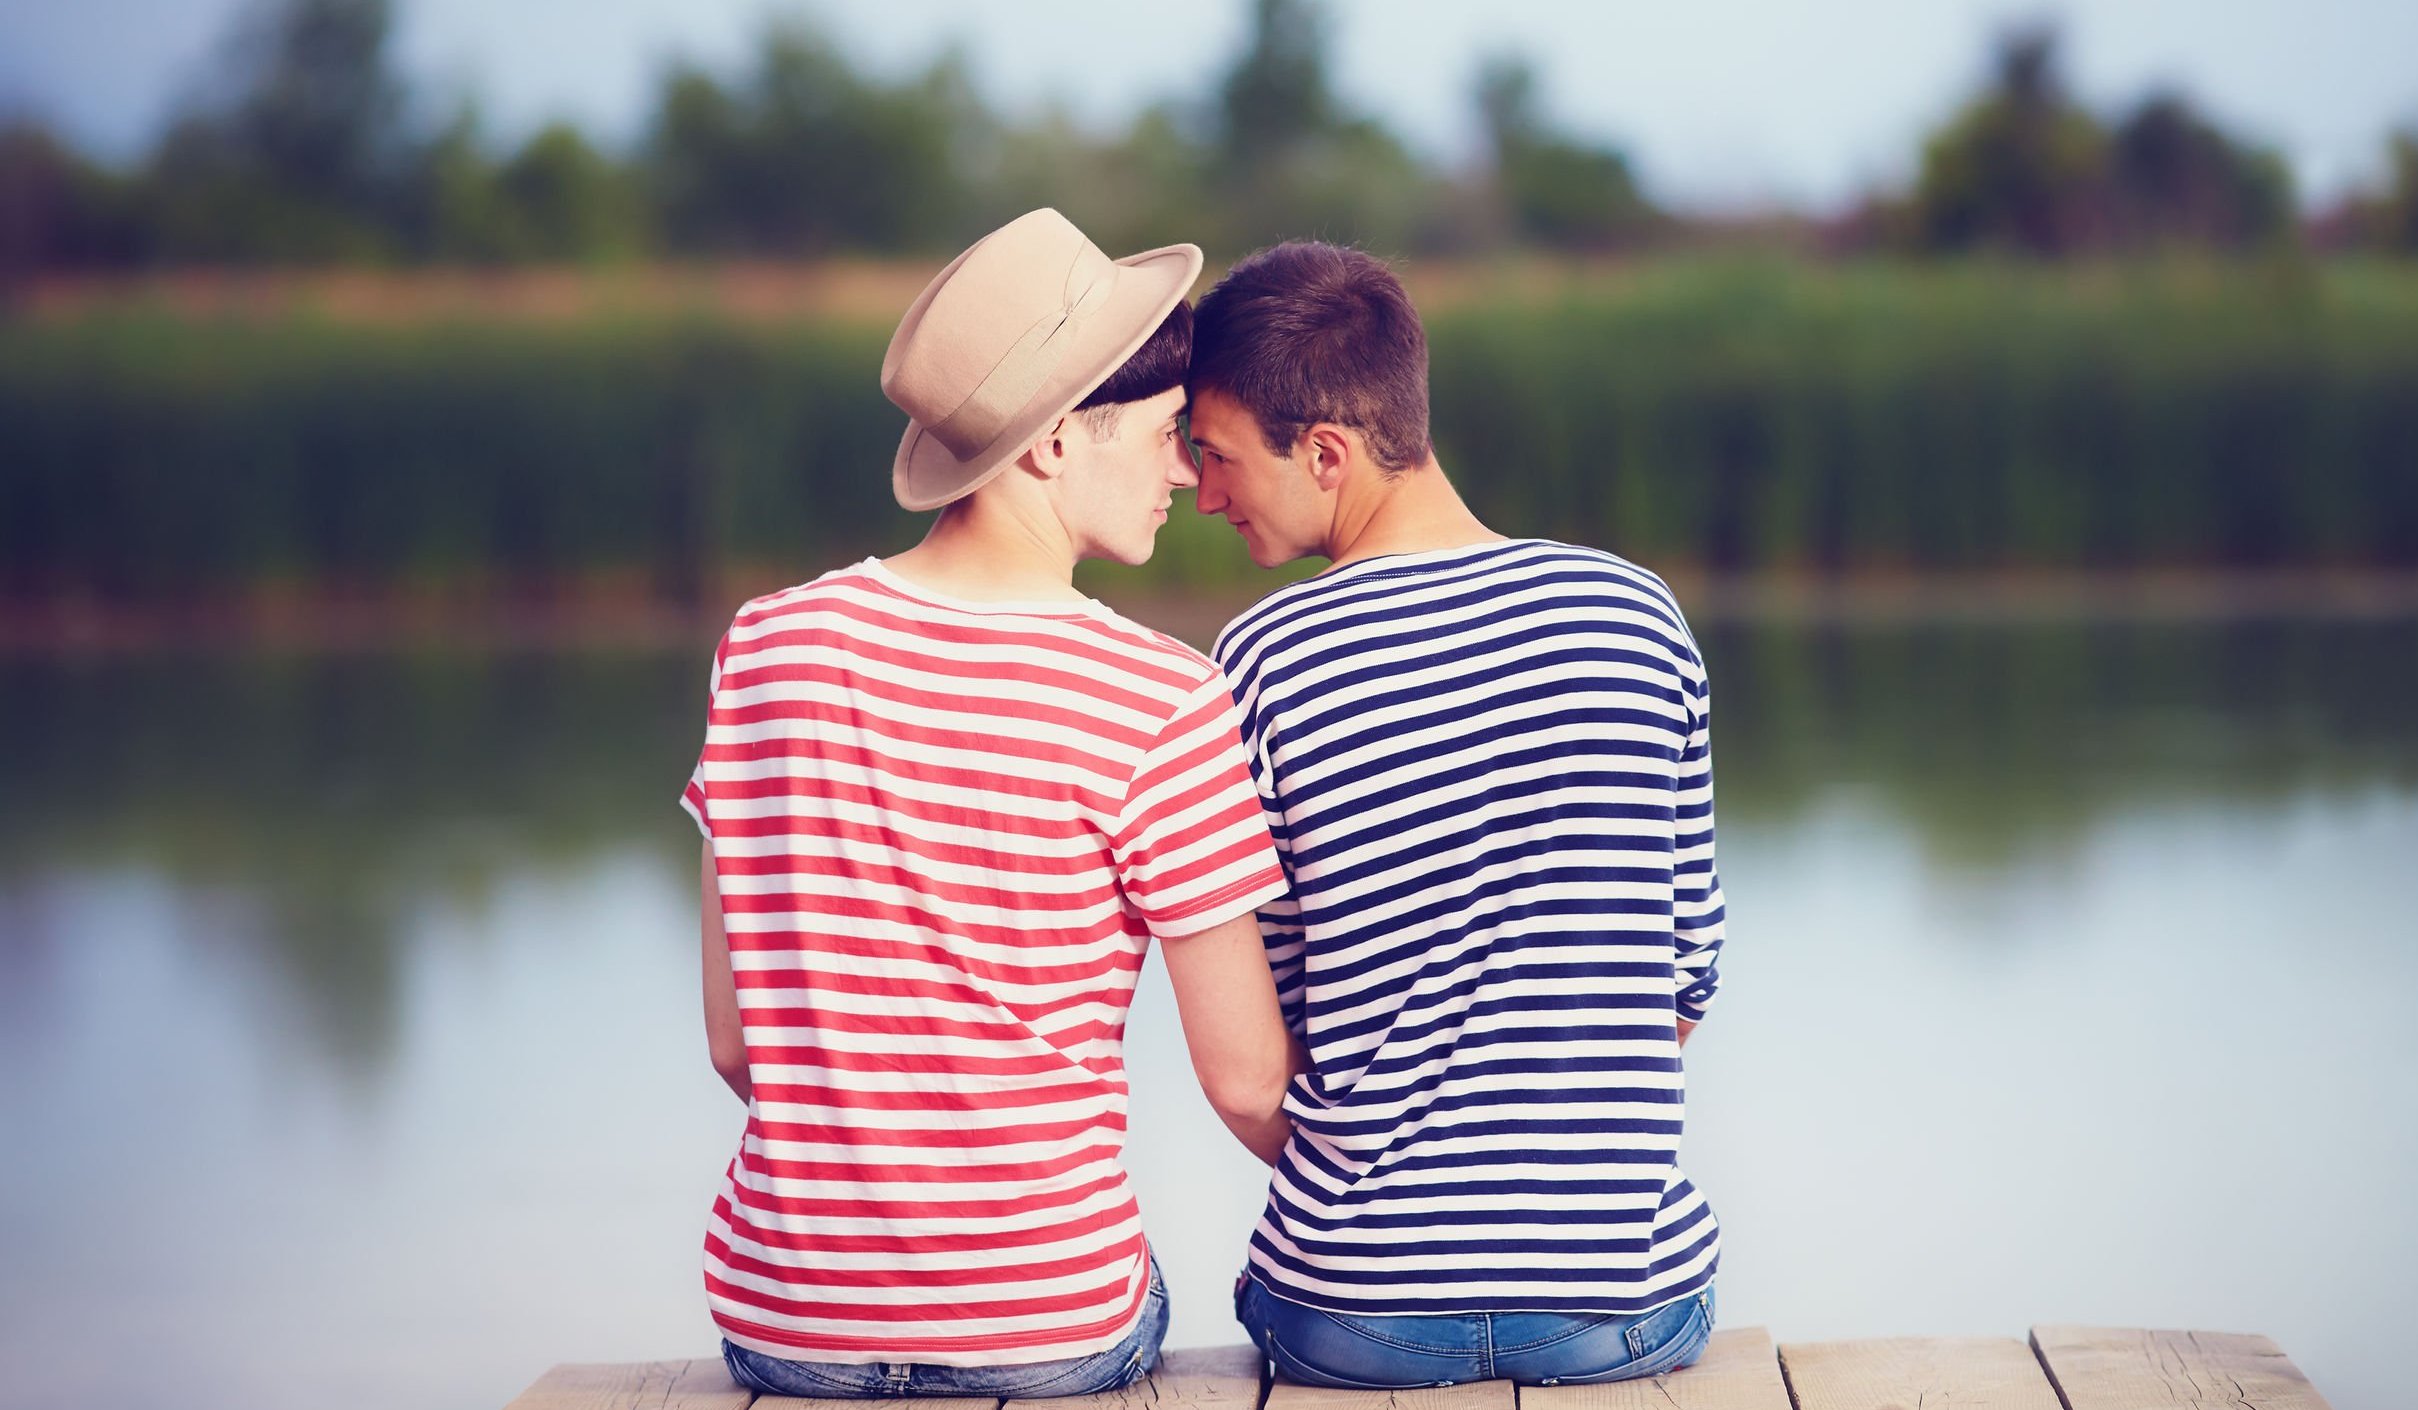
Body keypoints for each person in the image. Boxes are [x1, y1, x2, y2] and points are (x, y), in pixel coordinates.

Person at [680, 209, 1297, 1400]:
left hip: (789, 1327)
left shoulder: (763, 649)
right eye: (1169, 434)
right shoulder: (1161, 700)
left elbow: (735, 1043)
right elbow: (1244, 1080)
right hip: (1046, 1327)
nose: (1185, 470)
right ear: (1059, 441)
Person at [1185, 241, 1728, 1389]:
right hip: (1625, 1311)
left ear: (1326, 451)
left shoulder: (1260, 662)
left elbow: (1266, 1042)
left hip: (1354, 1317)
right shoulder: (1636, 616)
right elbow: (1685, 973)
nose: (1204, 492)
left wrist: (1381, 1198)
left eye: (1219, 456)